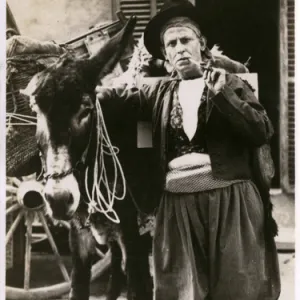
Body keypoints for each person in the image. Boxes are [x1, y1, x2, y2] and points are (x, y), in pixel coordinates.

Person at [96, 1, 281, 299]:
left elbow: (260, 130)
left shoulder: (230, 82)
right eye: (172, 44)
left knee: (237, 286)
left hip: (230, 198)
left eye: (186, 40)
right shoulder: (154, 92)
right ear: (165, 54)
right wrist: (94, 91)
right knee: (181, 289)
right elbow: (115, 102)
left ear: (202, 45)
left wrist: (224, 97)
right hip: (177, 206)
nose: (180, 48)